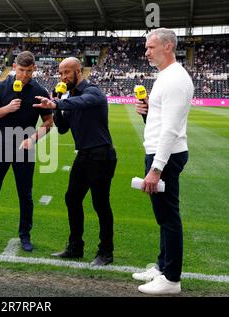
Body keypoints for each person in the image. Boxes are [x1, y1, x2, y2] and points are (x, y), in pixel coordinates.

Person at [33, 57, 117, 266]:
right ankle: (75, 247)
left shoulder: (92, 90)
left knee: (100, 204)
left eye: (66, 73)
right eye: (61, 73)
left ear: (79, 71)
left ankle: (106, 251)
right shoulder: (69, 96)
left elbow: (85, 102)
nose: (62, 77)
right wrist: (56, 107)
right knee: (72, 198)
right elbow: (62, 128)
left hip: (101, 155)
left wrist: (58, 102)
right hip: (84, 156)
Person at [132, 28, 194, 295]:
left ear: (168, 46)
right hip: (162, 153)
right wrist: (148, 113)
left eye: (151, 47)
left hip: (165, 156)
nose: (146, 52)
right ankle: (162, 267)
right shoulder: (166, 77)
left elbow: (170, 129)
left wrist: (156, 169)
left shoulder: (175, 79)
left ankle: (171, 279)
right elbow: (162, 121)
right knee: (163, 216)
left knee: (168, 217)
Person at [0, 51, 53, 252]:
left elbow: (49, 122)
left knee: (25, 195)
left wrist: (33, 138)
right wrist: (7, 109)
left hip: (24, 148)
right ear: (14, 68)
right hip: (0, 145)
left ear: (34, 69)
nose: (25, 75)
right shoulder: (0, 88)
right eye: (21, 70)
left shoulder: (40, 91)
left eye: (29, 71)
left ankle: (25, 235)